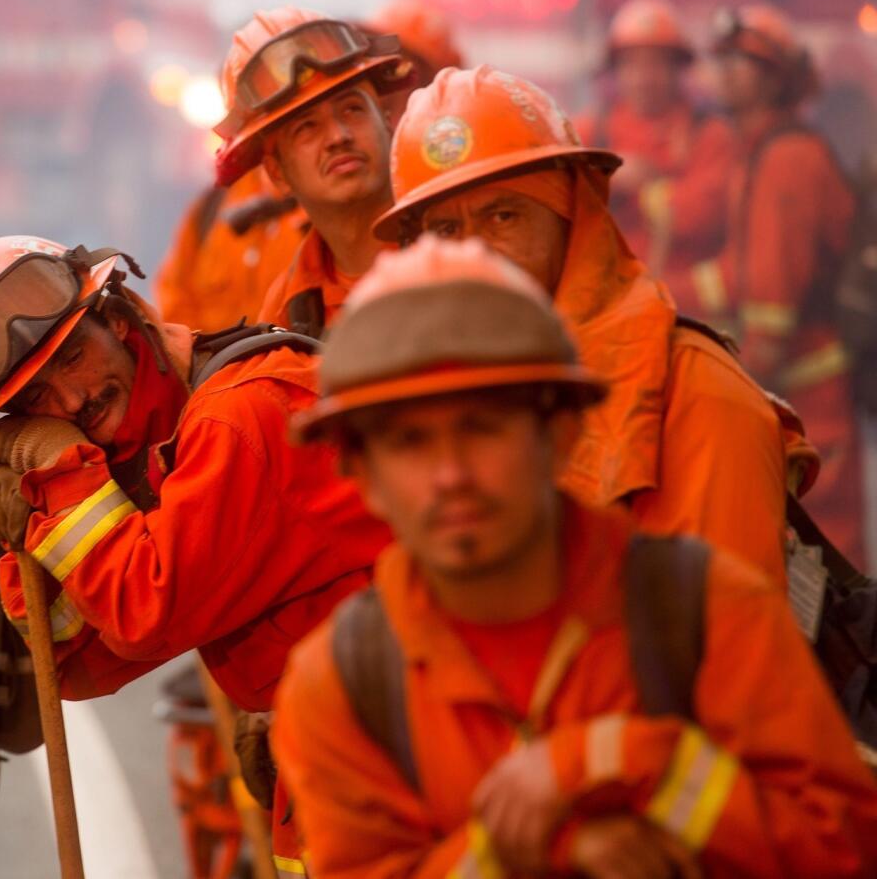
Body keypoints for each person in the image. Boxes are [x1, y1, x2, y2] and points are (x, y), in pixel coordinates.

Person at [272, 236, 877, 878]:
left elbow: (843, 852)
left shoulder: (707, 609)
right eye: (409, 441)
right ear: (363, 476)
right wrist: (553, 850)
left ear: (560, 434)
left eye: (482, 426)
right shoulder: (338, 687)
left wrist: (639, 762)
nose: (449, 475)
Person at [0, 235, 391, 877]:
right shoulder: (156, 445)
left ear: (120, 322)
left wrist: (61, 476)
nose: (69, 403)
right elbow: (70, 656)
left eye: (72, 359)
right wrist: (29, 523)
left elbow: (145, 610)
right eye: (36, 398)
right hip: (341, 760)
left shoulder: (241, 415)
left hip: (396, 762)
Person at [372, 65, 807, 586]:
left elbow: (733, 649)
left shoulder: (699, 396)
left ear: (572, 216)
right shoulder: (434, 402)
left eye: (503, 216)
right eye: (445, 228)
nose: (474, 253)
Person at [671, 5, 866, 567]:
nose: (727, 70)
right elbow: (740, 270)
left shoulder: (787, 160)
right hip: (797, 391)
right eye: (724, 58)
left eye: (747, 61)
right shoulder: (758, 151)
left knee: (824, 564)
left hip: (808, 400)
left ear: (778, 78)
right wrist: (660, 289)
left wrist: (734, 407)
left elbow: (772, 311)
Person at [210, 7, 410, 338]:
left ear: (387, 120)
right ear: (277, 173)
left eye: (352, 108)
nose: (338, 136)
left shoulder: (461, 246)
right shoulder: (286, 311)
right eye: (307, 128)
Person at [575, 0, 734, 299]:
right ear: (615, 70)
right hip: (603, 306)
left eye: (655, 65)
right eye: (632, 65)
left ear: (678, 69)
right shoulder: (591, 131)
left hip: (682, 309)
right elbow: (556, 198)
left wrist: (649, 191)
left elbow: (707, 213)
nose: (643, 78)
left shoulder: (710, 135)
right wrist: (606, 179)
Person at [154, 165, 306, 332]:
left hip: (304, 355)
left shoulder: (321, 207)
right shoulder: (211, 205)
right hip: (217, 356)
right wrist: (200, 353)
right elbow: (175, 300)